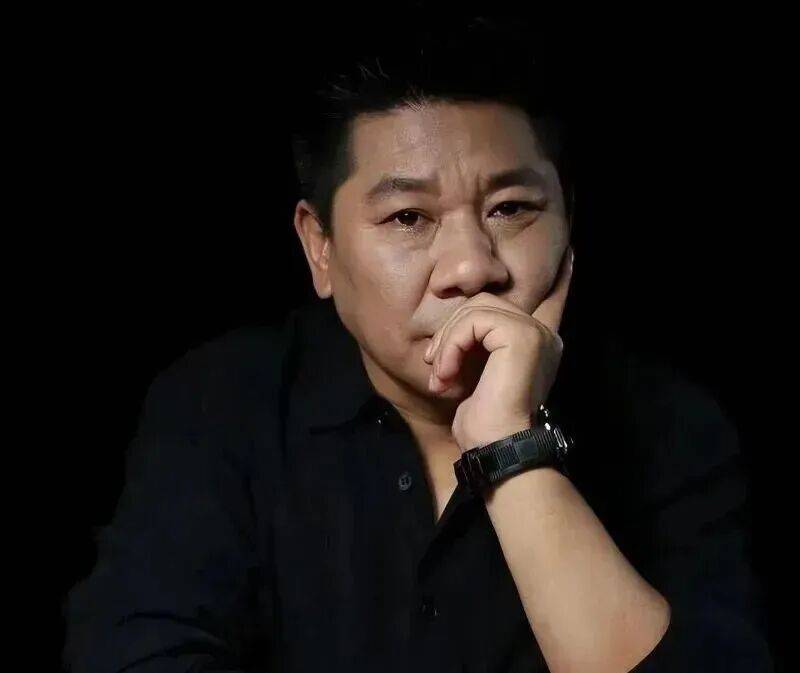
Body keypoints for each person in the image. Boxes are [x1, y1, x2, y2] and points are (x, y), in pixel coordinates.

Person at [62, 14, 774, 673]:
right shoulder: (221, 404)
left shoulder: (670, 425)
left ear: (567, 220)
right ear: (319, 248)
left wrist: (509, 444)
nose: (472, 268)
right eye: (408, 217)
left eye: (512, 208)